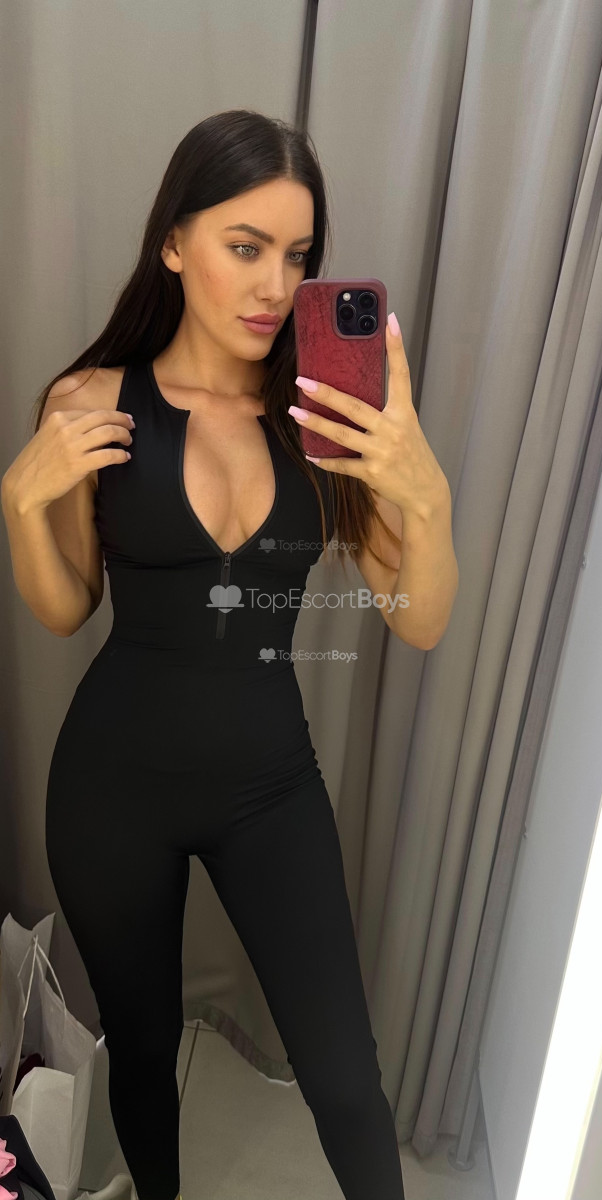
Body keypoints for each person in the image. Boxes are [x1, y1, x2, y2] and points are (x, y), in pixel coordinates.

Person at [2, 110, 405, 1200]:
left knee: (346, 1081)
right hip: (112, 788)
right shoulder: (91, 402)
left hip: (270, 784)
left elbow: (415, 611)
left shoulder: (323, 418)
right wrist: (21, 505)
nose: (275, 285)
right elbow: (66, 608)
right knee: (141, 1052)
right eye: (245, 246)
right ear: (174, 243)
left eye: (298, 255)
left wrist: (419, 489)